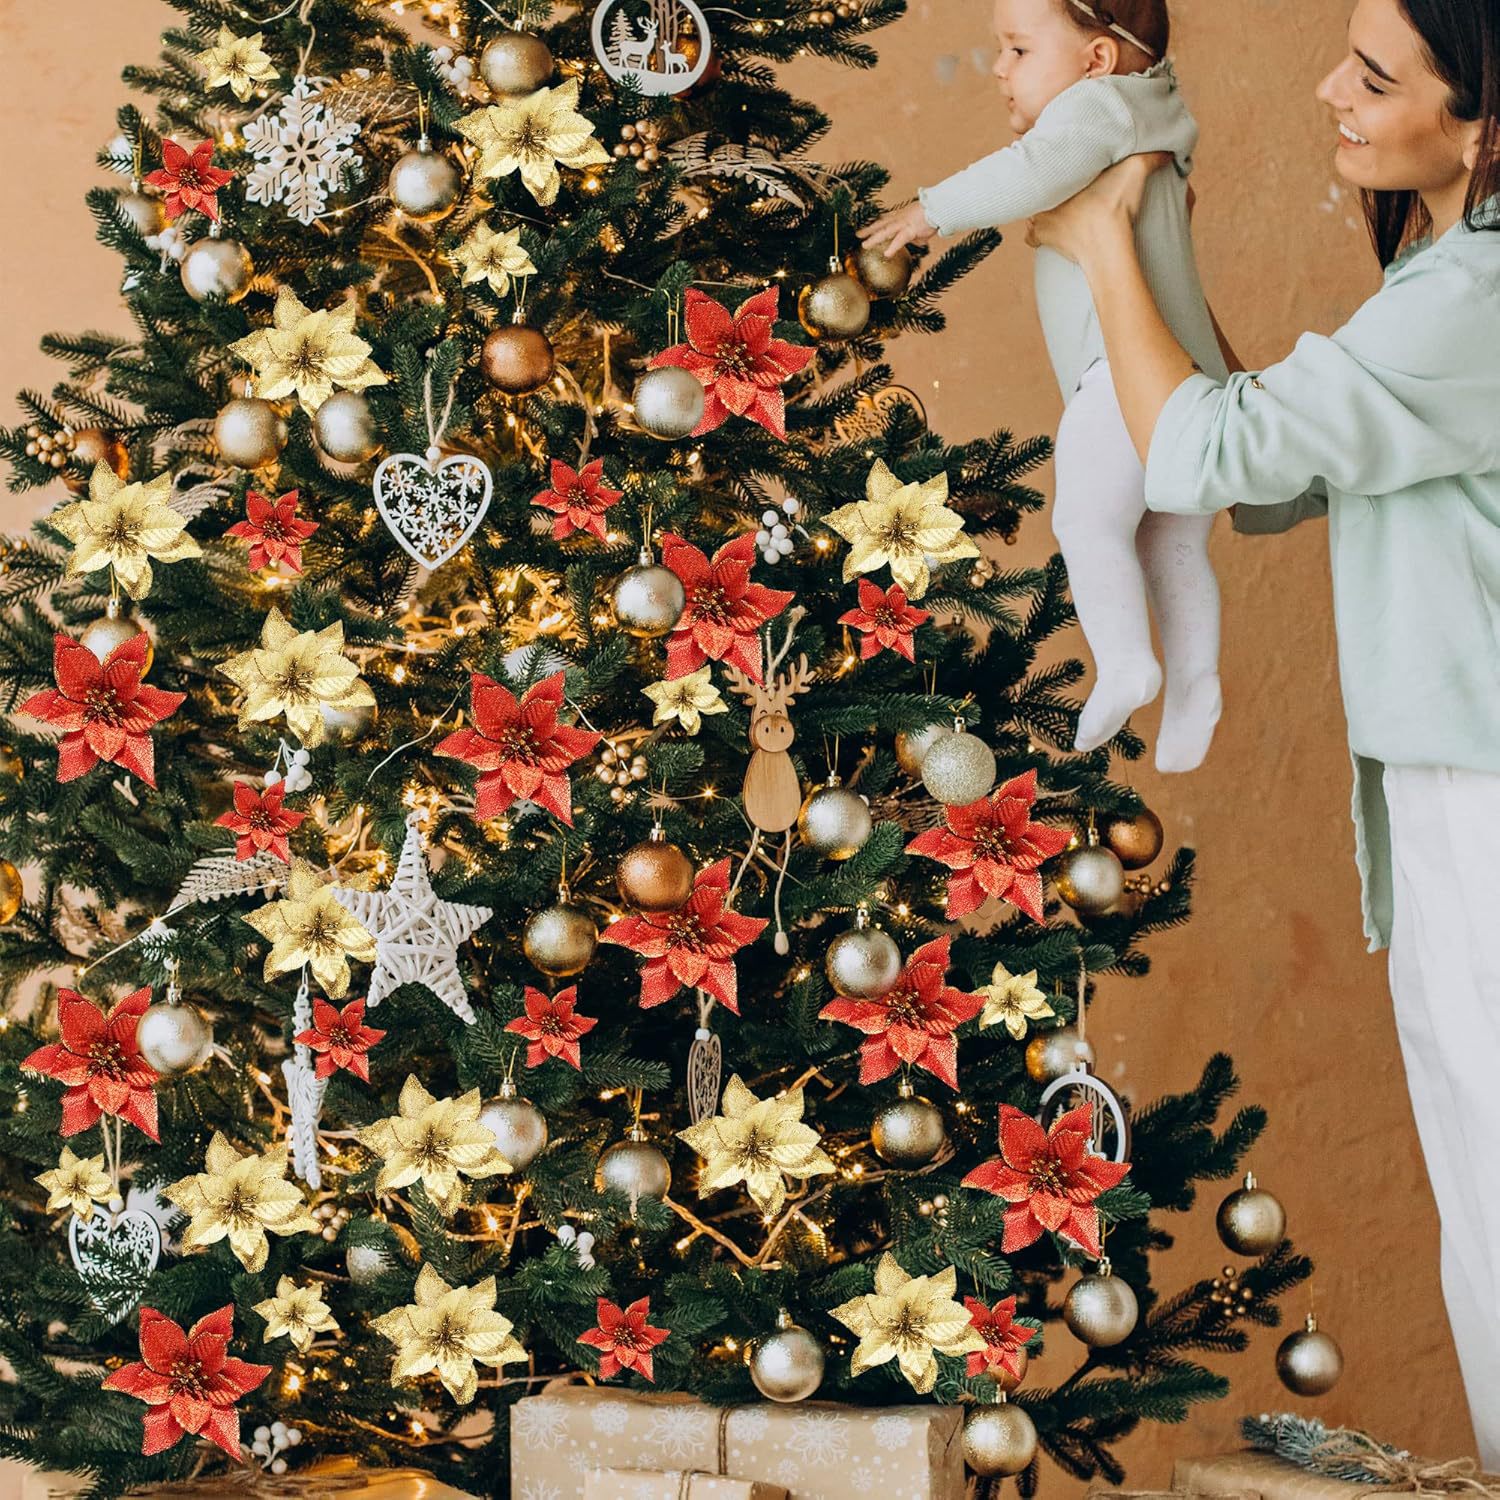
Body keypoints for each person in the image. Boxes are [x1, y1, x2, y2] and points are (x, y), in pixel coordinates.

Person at [1027, 0, 1500, 1460]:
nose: (1326, 91)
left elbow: (1209, 448)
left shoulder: (1474, 299)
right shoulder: (1439, 272)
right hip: (1451, 779)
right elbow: (1265, 459)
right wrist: (1154, 264)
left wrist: (1104, 240)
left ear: (1485, 125)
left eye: (1373, 76)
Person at [859, 0, 1227, 773]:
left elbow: (1034, 170)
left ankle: (1126, 659)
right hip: (1190, 380)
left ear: (1096, 59)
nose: (999, 68)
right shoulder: (1154, 109)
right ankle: (1197, 685)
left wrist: (934, 209)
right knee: (1174, 542)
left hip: (1124, 378)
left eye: (1020, 49)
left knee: (1090, 526)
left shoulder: (1101, 108)